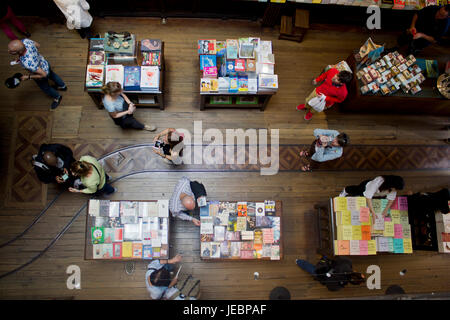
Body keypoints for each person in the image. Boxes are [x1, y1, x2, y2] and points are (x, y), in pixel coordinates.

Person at [8, 39, 66, 110]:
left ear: (19, 51)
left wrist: (28, 77)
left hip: (41, 73)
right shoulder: (25, 41)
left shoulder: (28, 63)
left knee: (46, 88)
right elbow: (38, 45)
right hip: (45, 63)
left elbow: (44, 75)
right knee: (53, 75)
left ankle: (57, 97)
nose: (9, 51)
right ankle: (63, 86)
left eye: (11, 51)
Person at [340, 175, 405, 219]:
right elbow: (368, 197)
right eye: (395, 188)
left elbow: (391, 199)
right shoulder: (379, 180)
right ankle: (345, 190)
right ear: (392, 184)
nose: (395, 190)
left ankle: (358, 197)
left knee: (362, 200)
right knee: (356, 190)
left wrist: (386, 210)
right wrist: (373, 212)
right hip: (365, 187)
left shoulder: (393, 189)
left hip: (375, 194)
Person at [296, 256, 365, 292]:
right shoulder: (341, 284)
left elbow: (337, 258)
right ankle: (298, 261)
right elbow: (330, 288)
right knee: (311, 269)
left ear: (356, 272)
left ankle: (299, 261)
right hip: (321, 274)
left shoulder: (347, 263)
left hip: (324, 265)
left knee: (312, 267)